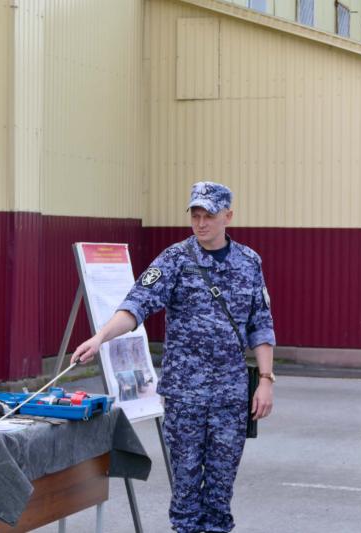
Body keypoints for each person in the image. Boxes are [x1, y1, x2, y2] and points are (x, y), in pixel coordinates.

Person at [71, 181, 276, 533]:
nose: (200, 223)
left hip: (230, 397)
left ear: (228, 215)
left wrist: (267, 381)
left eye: (208, 215)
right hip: (185, 397)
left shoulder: (249, 262)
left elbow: (261, 324)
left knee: (219, 493)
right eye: (195, 215)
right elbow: (136, 306)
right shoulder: (174, 260)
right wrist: (100, 337)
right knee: (185, 494)